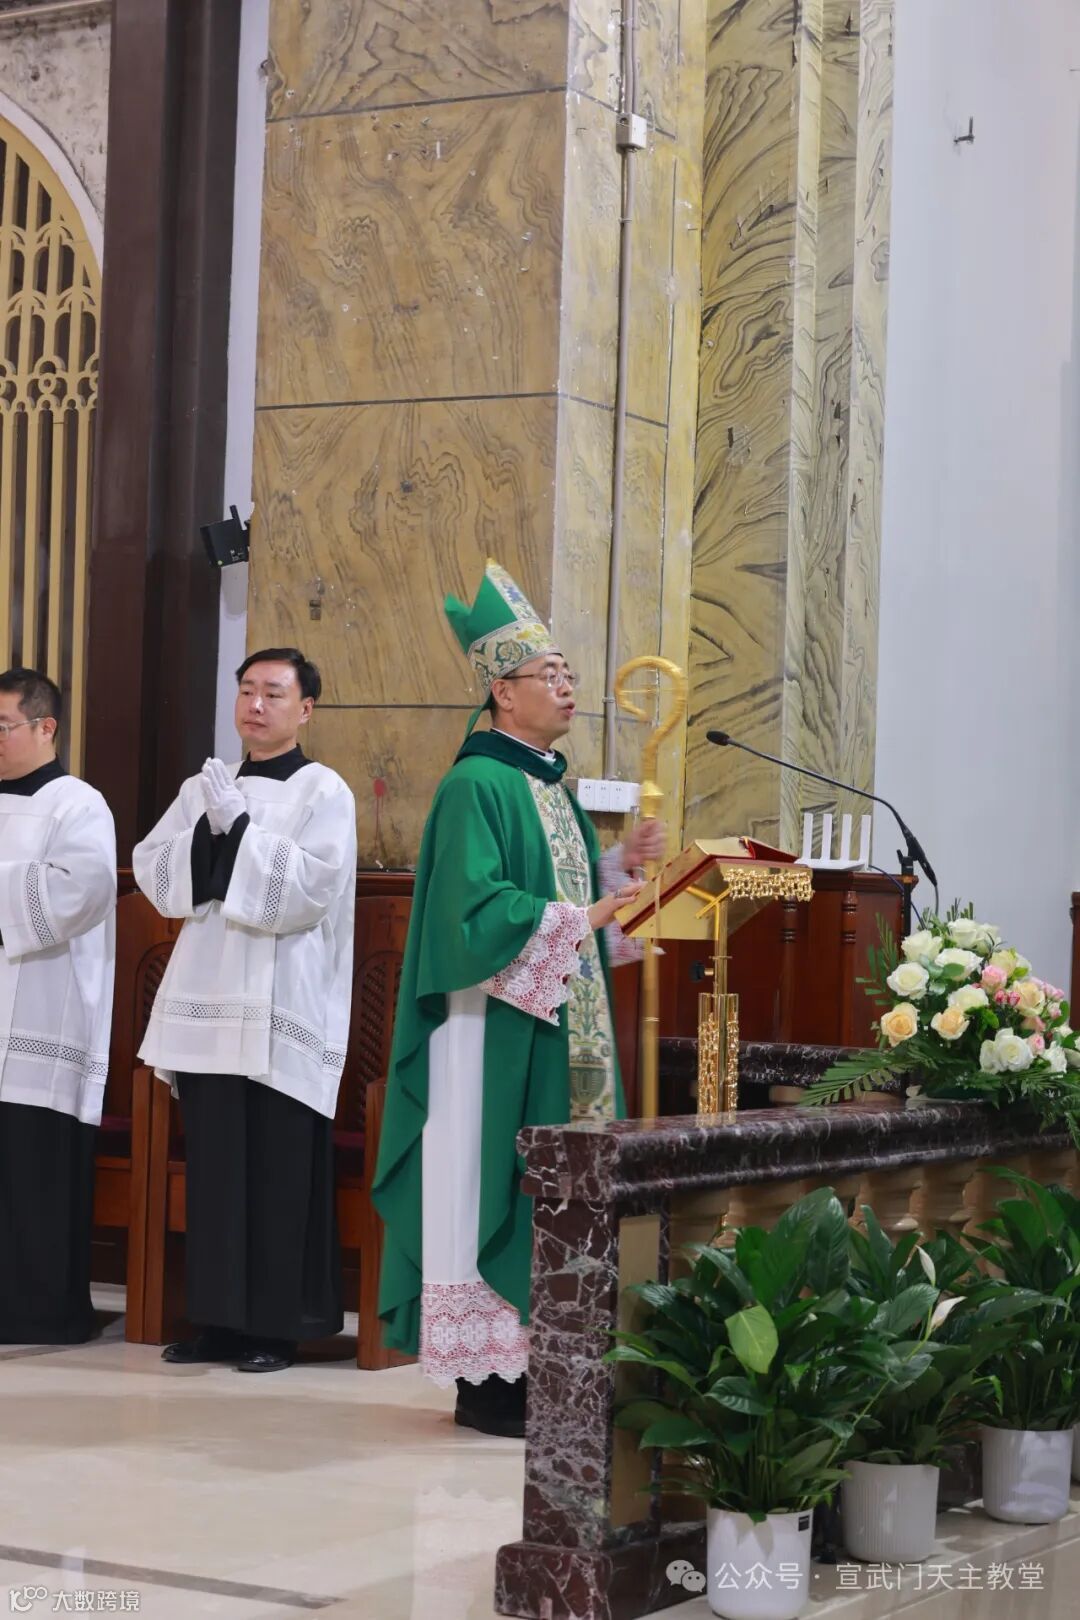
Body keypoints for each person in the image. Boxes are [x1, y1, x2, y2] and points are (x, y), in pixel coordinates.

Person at [373, 562, 664, 1436]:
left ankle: (552, 1364)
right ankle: (493, 1384)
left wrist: (615, 871)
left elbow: (556, 890)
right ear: (503, 692)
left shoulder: (550, 785)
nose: (568, 687)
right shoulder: (477, 783)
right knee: (488, 1174)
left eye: (569, 673)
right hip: (489, 1033)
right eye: (551, 674)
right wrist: (584, 914)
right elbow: (472, 913)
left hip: (553, 1030)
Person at [133, 648, 357, 1372]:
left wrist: (242, 834)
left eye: (273, 693)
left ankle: (276, 1329)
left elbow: (310, 893)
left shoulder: (325, 790)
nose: (256, 705)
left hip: (281, 1002)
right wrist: (212, 829)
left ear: (305, 709)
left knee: (277, 1173)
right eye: (247, 691)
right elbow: (154, 869)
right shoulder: (207, 786)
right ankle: (220, 1321)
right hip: (208, 1000)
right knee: (217, 1173)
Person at [0, 668, 117, 1343]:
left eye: (3, 726)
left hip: (43, 1011)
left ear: (46, 727)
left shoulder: (78, 804)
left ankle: (40, 1312)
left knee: (31, 1168)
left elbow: (82, 891)